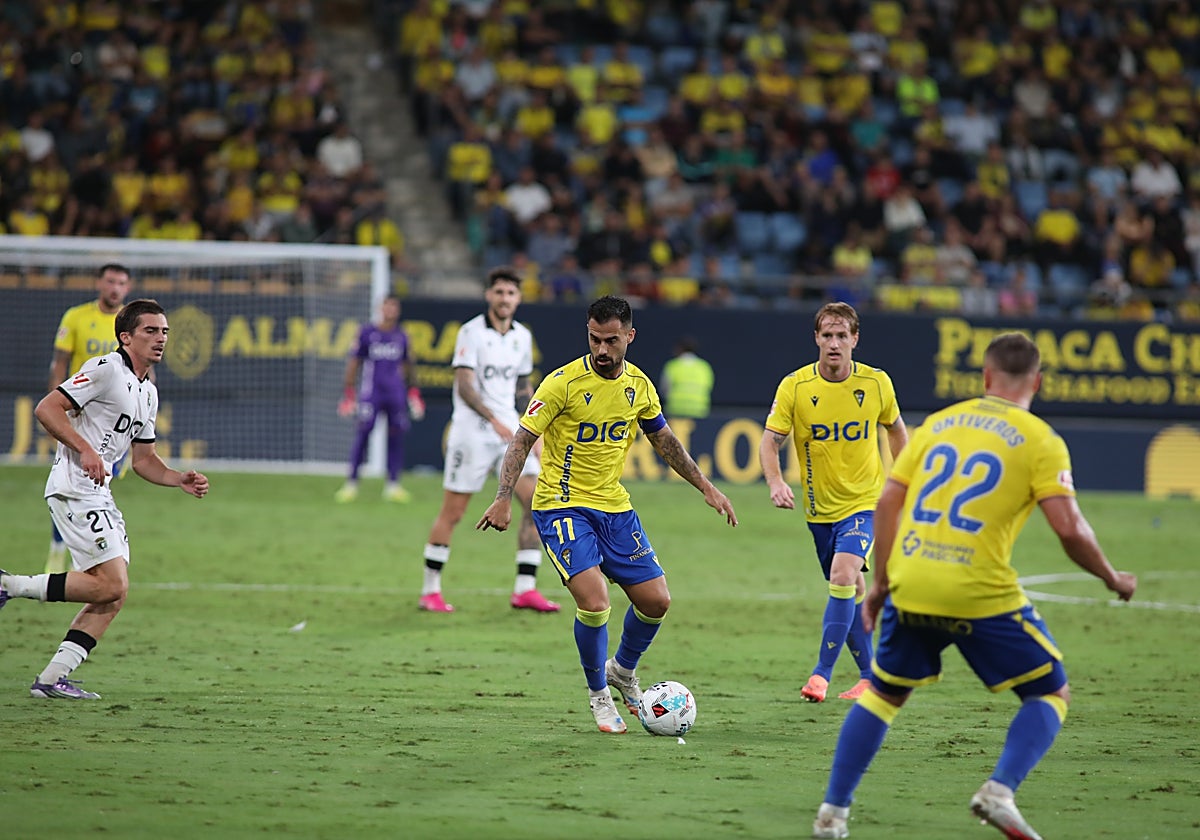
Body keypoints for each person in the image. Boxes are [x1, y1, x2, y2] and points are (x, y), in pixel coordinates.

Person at [811, 332, 1138, 840]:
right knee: (1051, 692)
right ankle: (999, 791)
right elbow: (1070, 529)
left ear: (985, 377)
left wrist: (881, 584)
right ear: (1038, 382)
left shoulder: (938, 424)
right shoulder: (1041, 439)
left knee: (883, 695)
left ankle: (832, 815)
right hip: (978, 590)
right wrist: (1112, 577)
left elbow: (889, 503)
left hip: (913, 580)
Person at [476, 295, 738, 734]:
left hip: (614, 507)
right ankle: (599, 694)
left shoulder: (640, 386)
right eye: (594, 339)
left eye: (611, 340)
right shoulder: (561, 383)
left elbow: (664, 440)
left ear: (629, 336)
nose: (601, 349)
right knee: (595, 602)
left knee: (656, 601)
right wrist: (503, 497)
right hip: (561, 505)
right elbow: (522, 439)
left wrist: (706, 487)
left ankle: (622, 670)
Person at [0, 299, 210, 700]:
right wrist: (84, 449)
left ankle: (52, 679)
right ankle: (9, 585)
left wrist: (177, 478)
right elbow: (47, 408)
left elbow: (144, 460)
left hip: (99, 493)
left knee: (114, 593)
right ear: (126, 337)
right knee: (112, 584)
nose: (161, 338)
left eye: (165, 331)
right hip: (74, 488)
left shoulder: (148, 391)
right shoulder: (105, 370)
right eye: (151, 330)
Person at [759, 302, 908, 703]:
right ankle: (870, 676)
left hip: (866, 503)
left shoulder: (876, 383)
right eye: (827, 335)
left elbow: (896, 430)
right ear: (817, 339)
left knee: (842, 576)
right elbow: (770, 442)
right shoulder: (796, 386)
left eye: (842, 335)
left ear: (855, 339)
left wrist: (903, 480)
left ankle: (820, 675)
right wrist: (775, 482)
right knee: (851, 587)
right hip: (819, 511)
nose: (834, 343)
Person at [419, 266, 558, 614]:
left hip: (511, 431)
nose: (504, 298)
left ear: (519, 298)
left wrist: (533, 430)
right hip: (473, 432)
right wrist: (493, 419)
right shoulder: (470, 332)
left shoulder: (522, 336)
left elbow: (522, 388)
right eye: (499, 292)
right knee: (454, 511)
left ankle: (525, 589)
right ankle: (430, 589)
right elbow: (464, 385)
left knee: (537, 503)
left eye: (510, 293)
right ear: (488, 295)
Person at [45, 263, 134, 574]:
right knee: (72, 483)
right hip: (78, 414)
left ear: (127, 288)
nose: (115, 288)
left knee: (97, 486)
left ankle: (82, 553)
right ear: (99, 283)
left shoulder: (132, 325)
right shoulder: (76, 317)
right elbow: (59, 364)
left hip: (112, 423)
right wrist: (57, 408)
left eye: (121, 283)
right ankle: (60, 549)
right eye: (110, 281)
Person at [335, 294, 423, 503]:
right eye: (387, 306)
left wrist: (413, 393)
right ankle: (351, 484)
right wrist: (349, 393)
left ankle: (393, 485)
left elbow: (408, 365)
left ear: (398, 310)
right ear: (380, 309)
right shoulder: (367, 333)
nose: (390, 310)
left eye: (394, 306)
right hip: (371, 393)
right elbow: (354, 363)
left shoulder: (402, 336)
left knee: (396, 438)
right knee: (363, 435)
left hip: (395, 394)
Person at [659, 335, 715, 420]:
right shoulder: (704, 367)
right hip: (699, 410)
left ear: (679, 349)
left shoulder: (672, 366)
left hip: (676, 410)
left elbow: (664, 390)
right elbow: (709, 387)